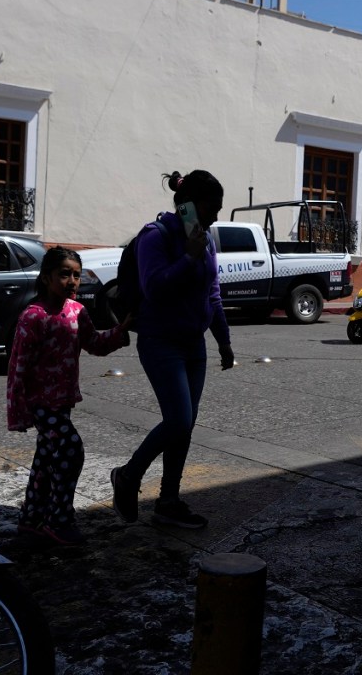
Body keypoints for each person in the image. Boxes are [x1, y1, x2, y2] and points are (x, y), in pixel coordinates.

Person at [110, 170, 235, 529]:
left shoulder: (206, 239)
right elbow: (154, 288)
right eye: (211, 208)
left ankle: (168, 500)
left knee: (185, 426)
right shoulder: (156, 236)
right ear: (189, 206)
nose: (214, 217)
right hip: (160, 341)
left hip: (194, 345)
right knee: (178, 419)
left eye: (218, 210)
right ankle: (129, 476)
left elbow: (212, 293)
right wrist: (188, 258)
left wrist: (223, 340)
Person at [7, 245, 131, 545]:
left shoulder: (78, 312)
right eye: (64, 274)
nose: (72, 281)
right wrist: (18, 411)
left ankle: (32, 521)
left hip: (63, 403)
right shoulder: (33, 317)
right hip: (40, 404)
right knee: (71, 451)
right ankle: (59, 521)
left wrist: (120, 331)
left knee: (46, 459)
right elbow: (17, 367)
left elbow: (94, 344)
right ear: (46, 277)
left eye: (76, 275)